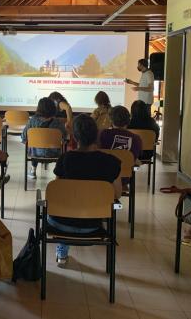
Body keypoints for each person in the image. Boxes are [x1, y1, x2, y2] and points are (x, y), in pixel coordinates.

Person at [51, 114, 122, 267]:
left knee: (61, 207)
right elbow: (117, 194)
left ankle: (62, 250)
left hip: (60, 225)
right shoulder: (111, 162)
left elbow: (57, 192)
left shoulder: (65, 159)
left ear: (75, 137)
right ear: (97, 135)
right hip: (93, 226)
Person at [22, 97, 66, 179]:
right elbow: (65, 136)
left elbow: (24, 136)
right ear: (53, 108)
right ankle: (58, 174)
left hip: (35, 154)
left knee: (34, 146)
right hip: (54, 154)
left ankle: (33, 170)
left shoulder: (32, 121)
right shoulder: (58, 122)